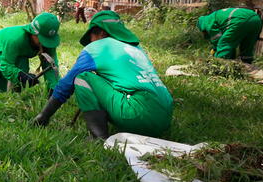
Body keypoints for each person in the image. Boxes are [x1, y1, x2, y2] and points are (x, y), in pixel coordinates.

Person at [33, 11, 173, 139]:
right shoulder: (136, 49)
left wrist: (43, 116)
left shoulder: (98, 47)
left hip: (137, 116)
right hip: (166, 118)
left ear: (101, 33)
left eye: (91, 37)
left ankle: (99, 137)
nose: (91, 42)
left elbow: (66, 85)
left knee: (83, 78)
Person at [197, 7, 262, 64]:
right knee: (247, 45)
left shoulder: (207, 22)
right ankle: (247, 63)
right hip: (256, 19)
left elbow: (218, 40)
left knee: (224, 44)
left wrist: (216, 51)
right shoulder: (215, 15)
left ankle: (219, 66)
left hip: (239, 20)